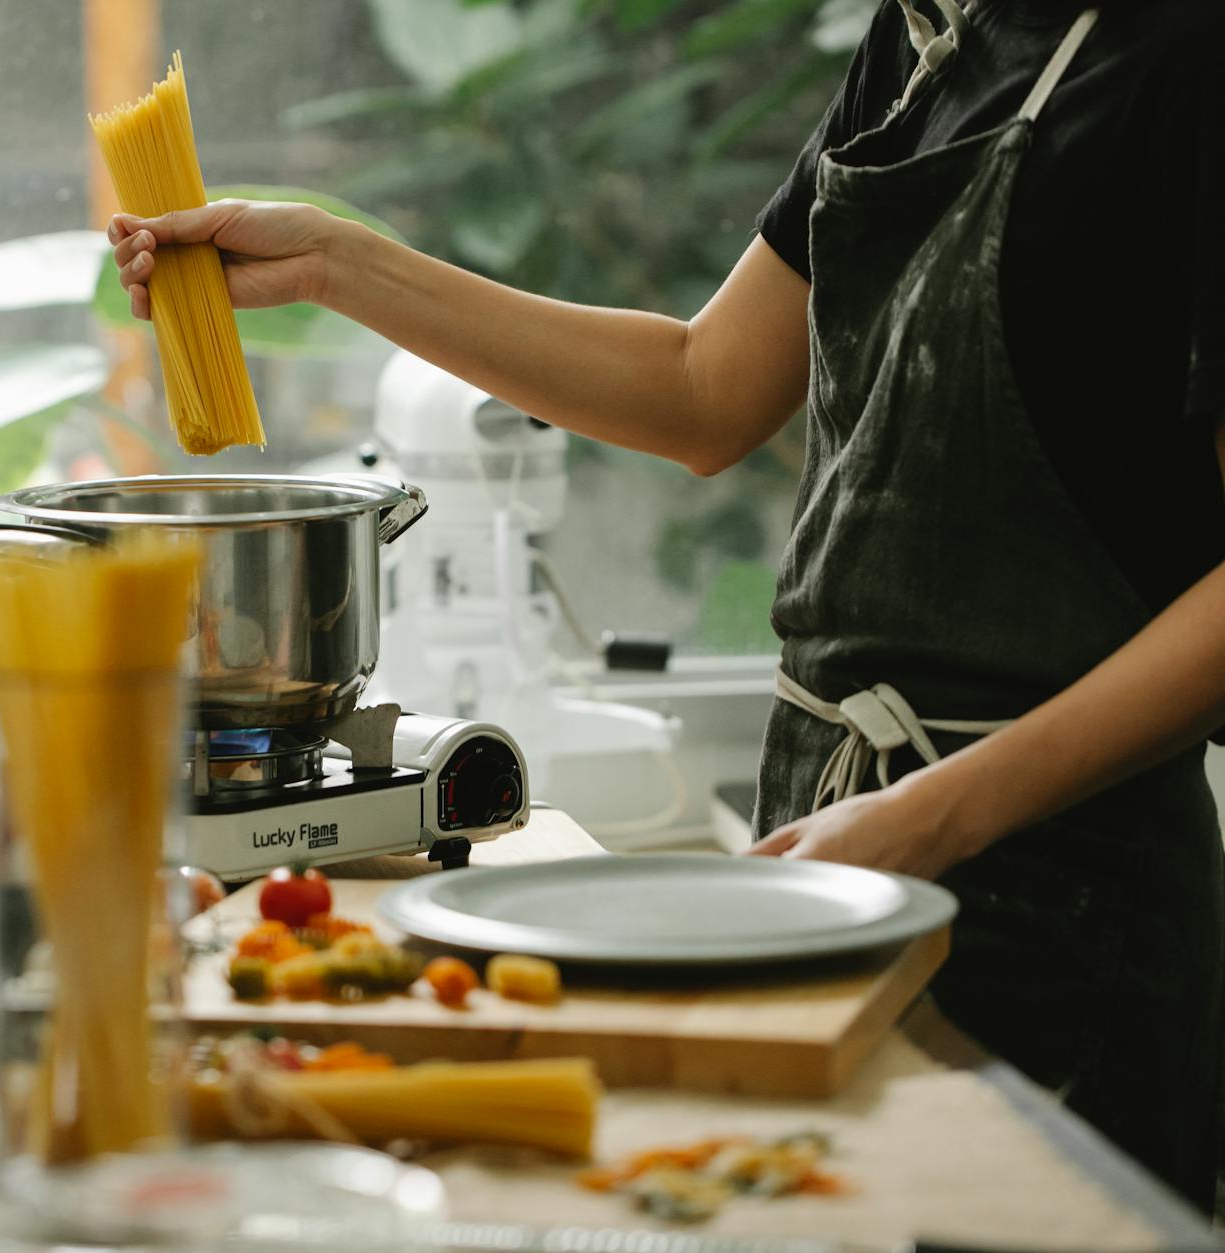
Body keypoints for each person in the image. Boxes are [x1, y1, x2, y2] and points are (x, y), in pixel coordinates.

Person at [109, 0, 1225, 1207]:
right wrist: (336, 262)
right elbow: (702, 390)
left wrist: (926, 819)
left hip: (1065, 904)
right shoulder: (921, 40)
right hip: (838, 834)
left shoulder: (1182, 56)